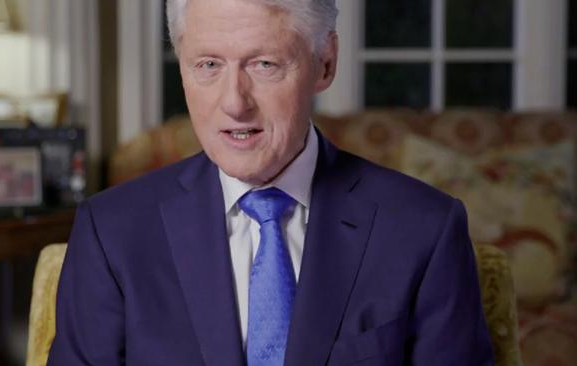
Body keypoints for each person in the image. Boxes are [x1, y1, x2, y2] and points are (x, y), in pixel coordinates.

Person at [48, 0, 494, 365]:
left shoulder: (424, 228)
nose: (234, 103)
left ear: (325, 63)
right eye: (207, 64)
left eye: (263, 64)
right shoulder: (111, 231)